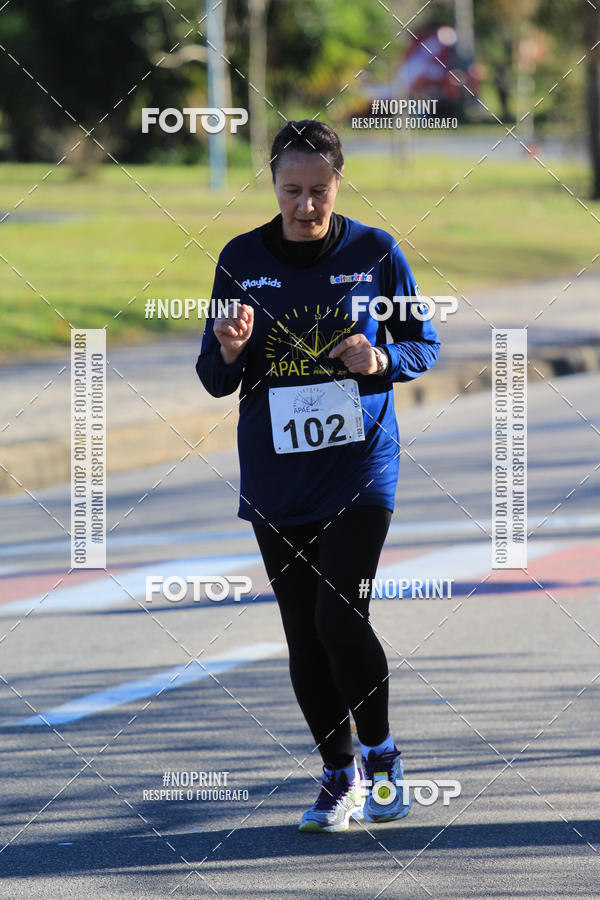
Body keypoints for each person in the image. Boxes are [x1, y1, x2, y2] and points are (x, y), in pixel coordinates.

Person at [196, 120, 440, 833]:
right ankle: (340, 775)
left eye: (319, 190)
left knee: (340, 616)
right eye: (291, 190)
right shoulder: (241, 258)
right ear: (272, 185)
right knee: (303, 634)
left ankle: (383, 757)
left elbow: (423, 344)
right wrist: (229, 350)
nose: (305, 206)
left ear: (339, 182)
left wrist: (380, 359)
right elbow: (215, 377)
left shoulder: (375, 252)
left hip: (360, 464)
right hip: (277, 473)